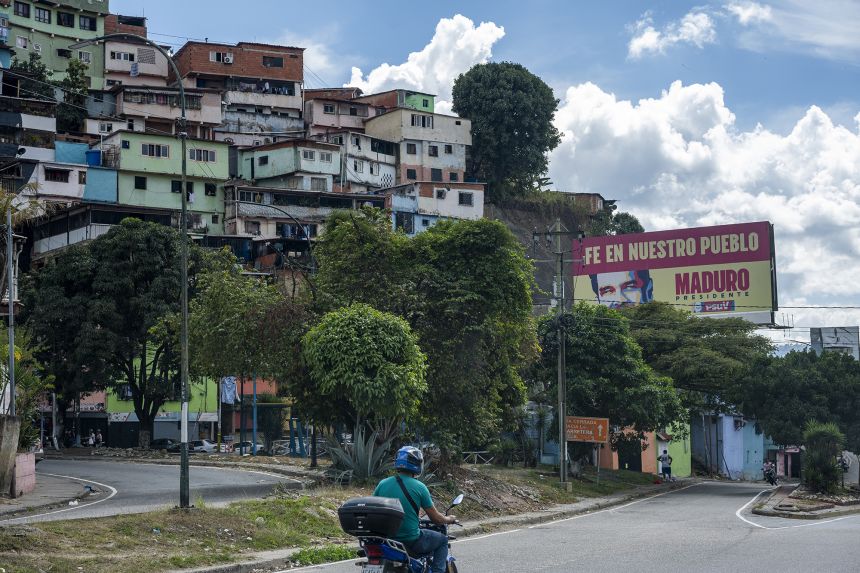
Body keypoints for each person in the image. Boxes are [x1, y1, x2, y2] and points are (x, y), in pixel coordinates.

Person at [373, 446, 456, 573]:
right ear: (417, 464)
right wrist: (449, 519)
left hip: (387, 539)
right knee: (442, 540)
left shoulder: (382, 484)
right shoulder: (419, 487)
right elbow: (436, 519)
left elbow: (375, 508)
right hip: (410, 539)